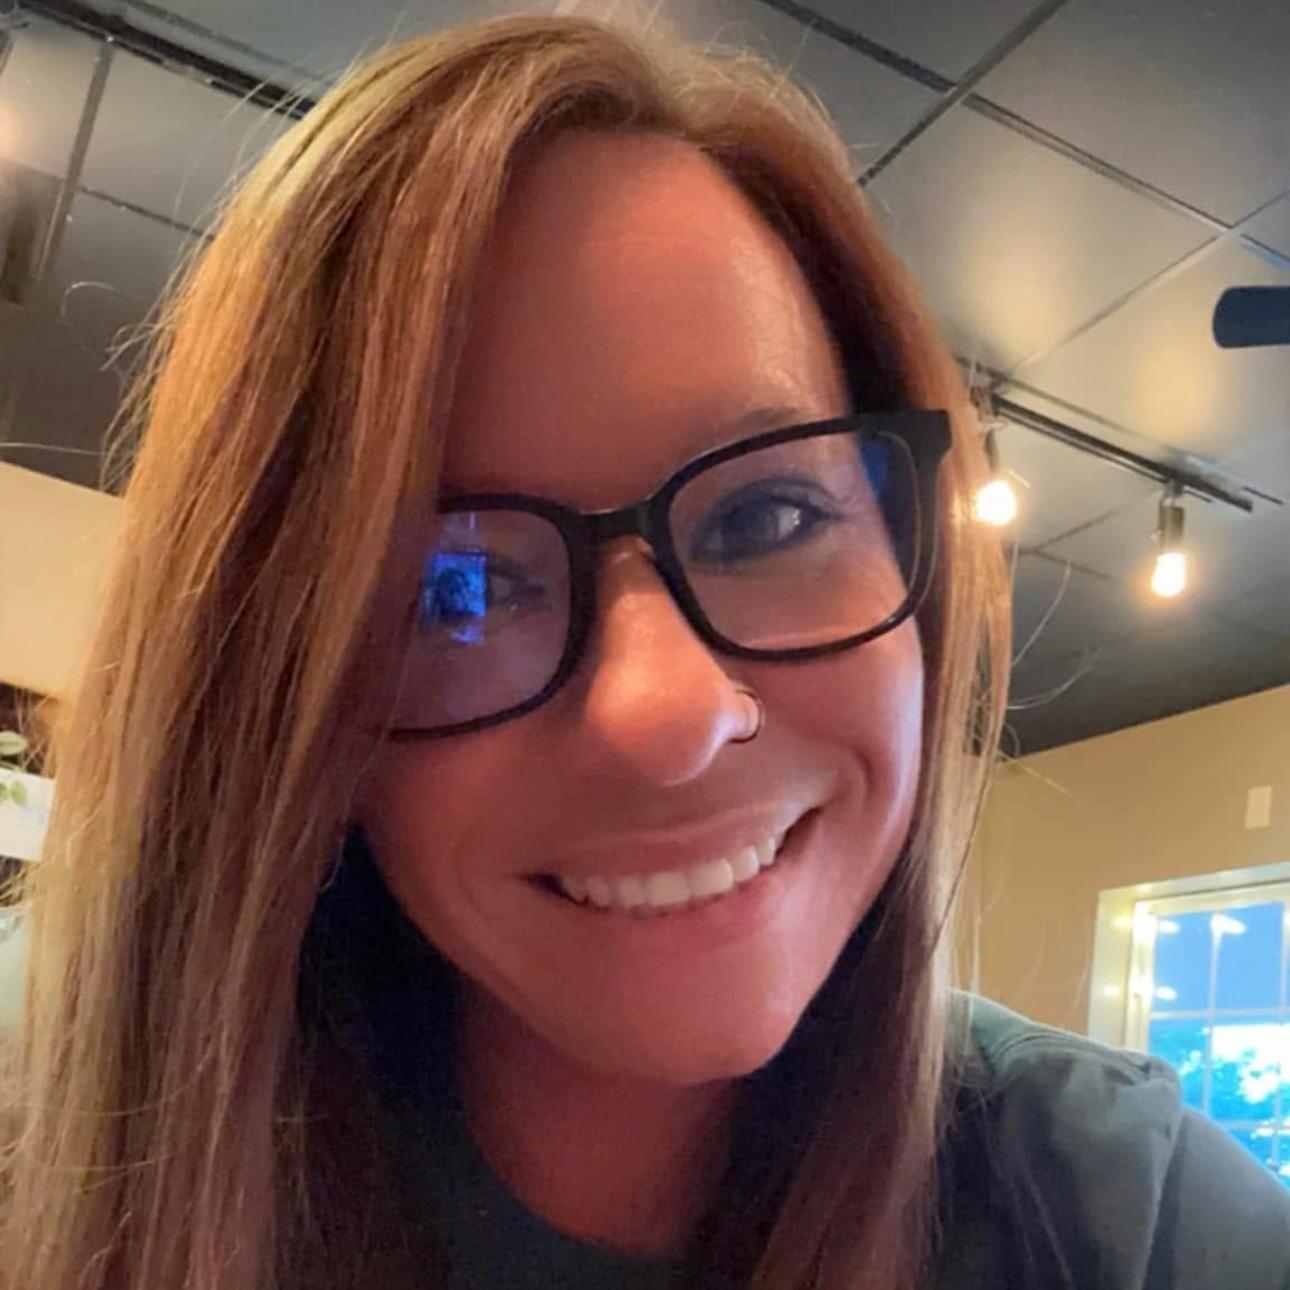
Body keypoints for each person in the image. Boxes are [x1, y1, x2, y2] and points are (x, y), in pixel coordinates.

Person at [3, 12, 1287, 1290]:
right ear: (272, 692)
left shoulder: (1137, 1227)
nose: (669, 712)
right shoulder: (42, 1134)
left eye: (768, 517)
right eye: (457, 588)